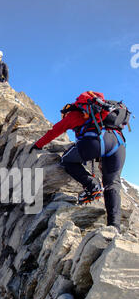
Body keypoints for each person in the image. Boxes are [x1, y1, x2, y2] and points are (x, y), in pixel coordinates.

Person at [30, 91, 127, 232]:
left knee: (66, 160)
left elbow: (53, 131)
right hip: (119, 144)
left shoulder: (73, 115)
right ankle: (114, 226)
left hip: (96, 142)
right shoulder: (101, 114)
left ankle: (92, 185)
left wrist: (37, 145)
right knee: (112, 185)